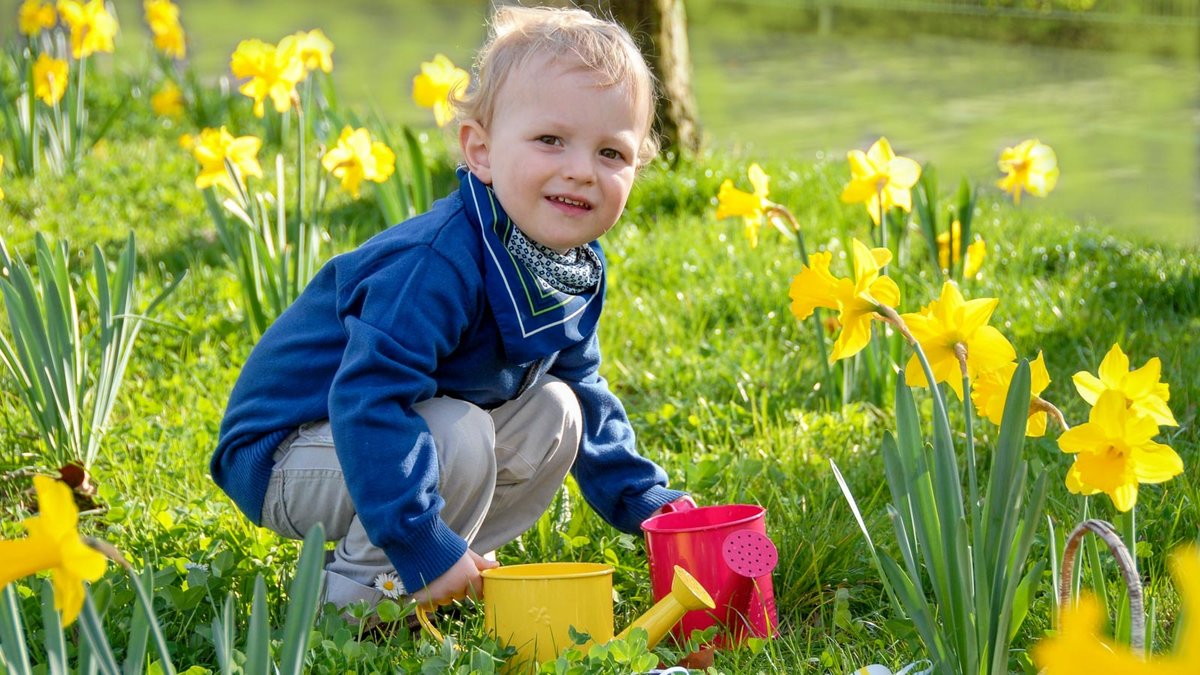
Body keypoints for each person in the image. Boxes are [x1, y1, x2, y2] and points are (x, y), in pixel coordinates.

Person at [210, 4, 692, 615]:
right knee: (458, 434)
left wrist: (651, 506)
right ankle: (360, 605)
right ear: (481, 151)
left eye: (611, 154)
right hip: (290, 452)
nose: (581, 171)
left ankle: (438, 560)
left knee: (557, 411)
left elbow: (584, 392)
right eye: (551, 140)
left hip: (385, 438)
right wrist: (418, 537)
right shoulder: (435, 264)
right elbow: (368, 400)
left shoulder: (566, 265)